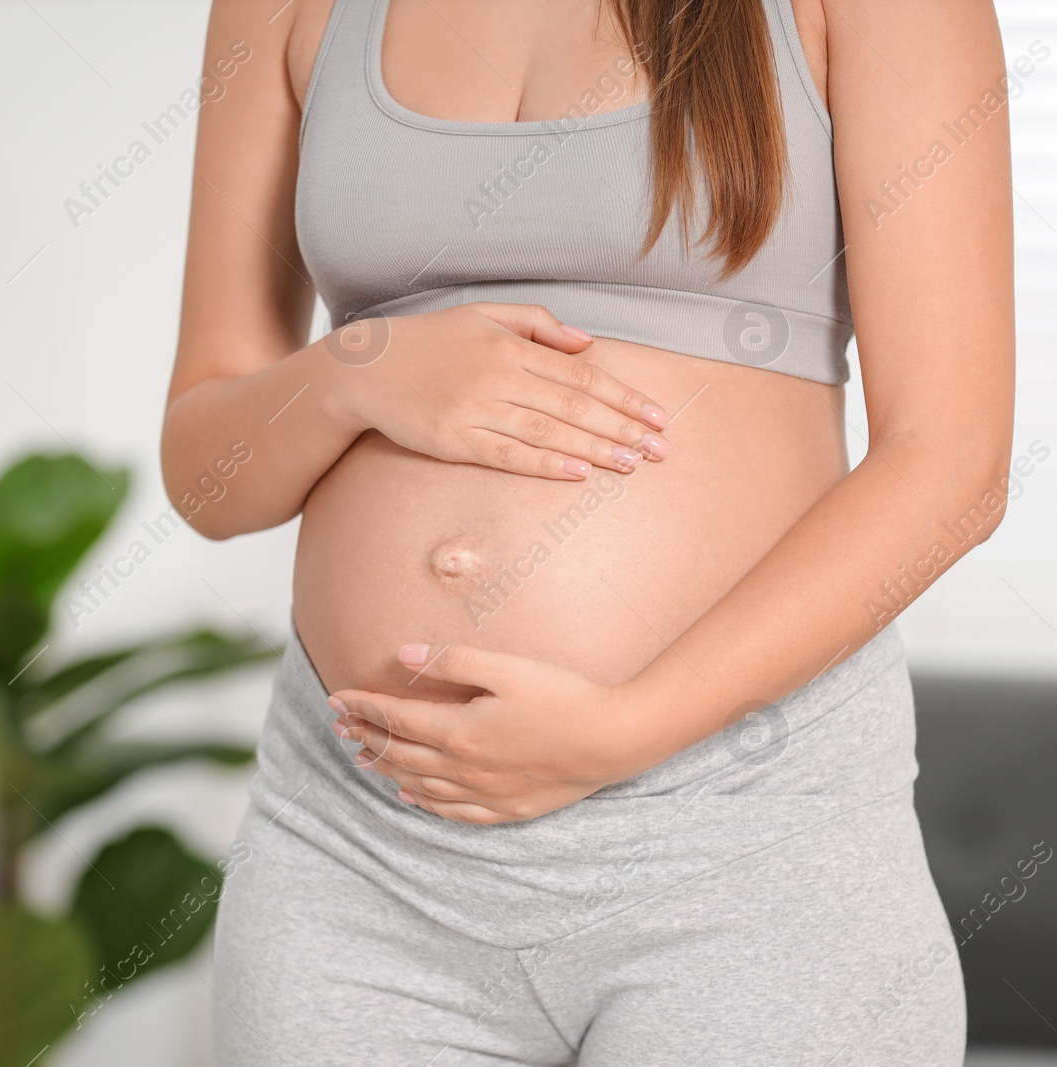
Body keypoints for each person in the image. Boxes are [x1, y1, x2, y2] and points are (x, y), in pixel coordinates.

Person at [162, 0, 1014, 1062]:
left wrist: (624, 728)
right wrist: (357, 370)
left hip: (734, 838)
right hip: (361, 847)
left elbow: (951, 463)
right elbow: (207, 473)